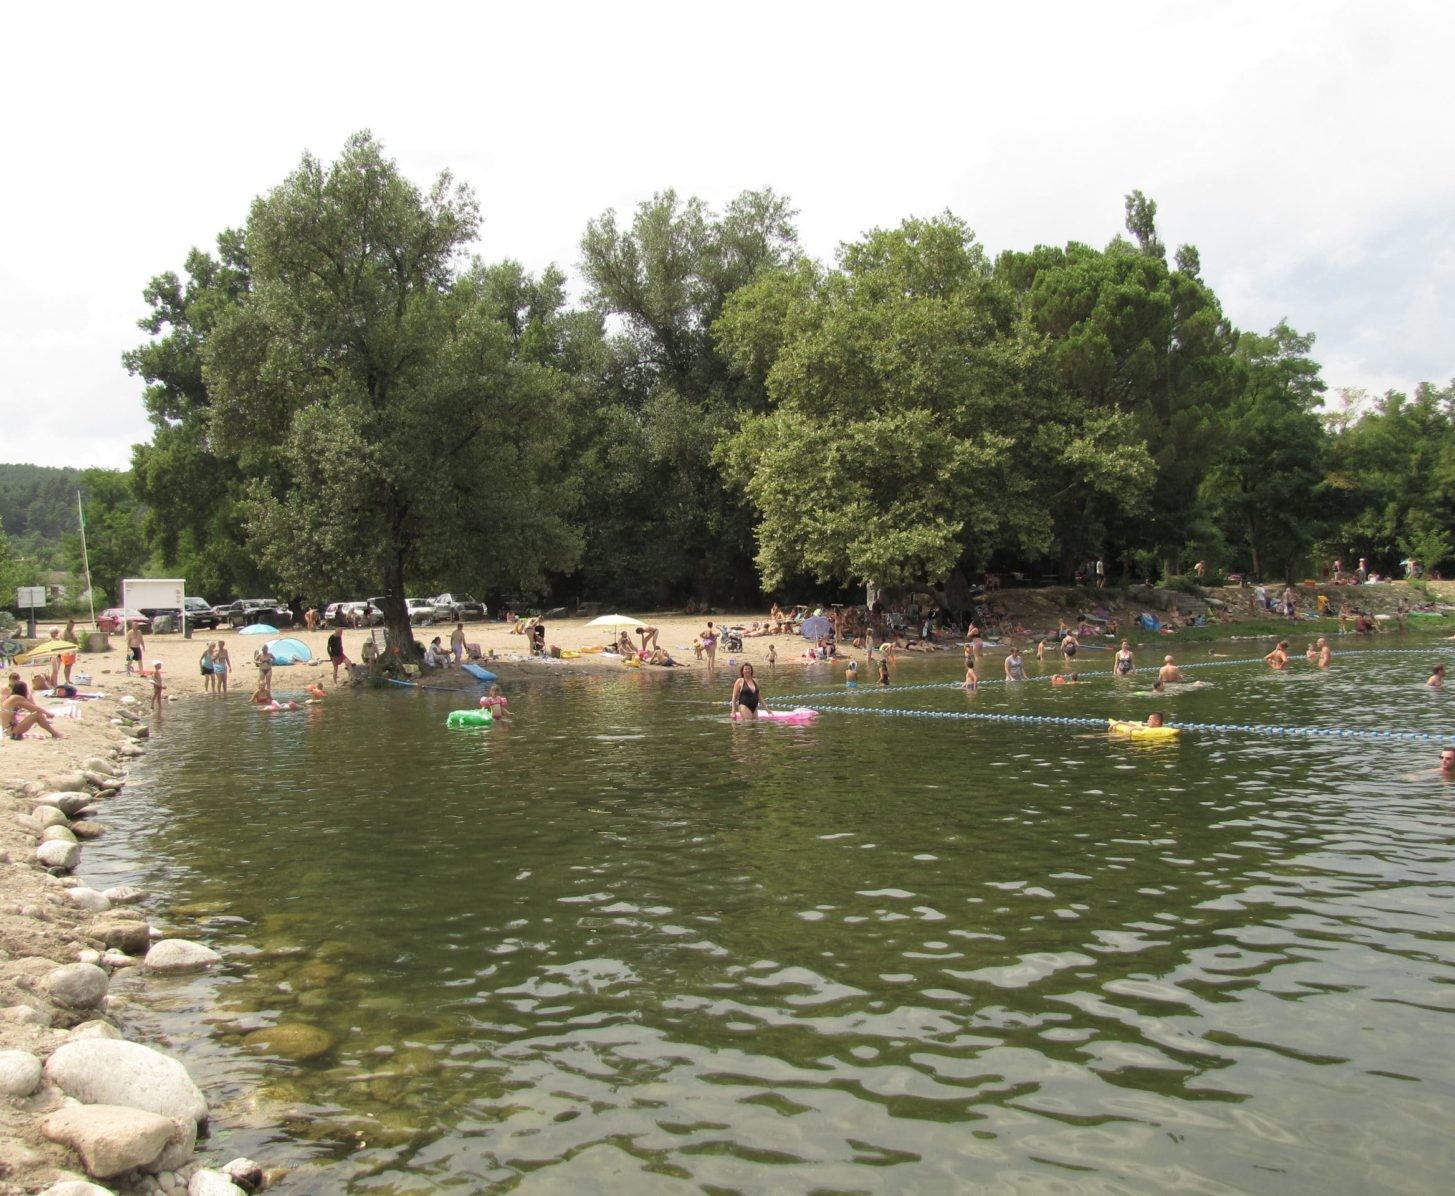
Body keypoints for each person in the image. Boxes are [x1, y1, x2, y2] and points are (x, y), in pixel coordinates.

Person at [60, 620, 77, 684]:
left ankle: (68, 679)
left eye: (72, 625)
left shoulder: (72, 632)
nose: (71, 627)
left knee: (70, 665)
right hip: (66, 651)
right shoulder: (64, 632)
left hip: (72, 651)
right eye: (70, 625)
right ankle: (66, 680)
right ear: (67, 624)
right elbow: (64, 641)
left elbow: (75, 640)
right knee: (67, 665)